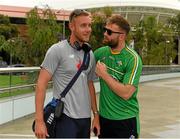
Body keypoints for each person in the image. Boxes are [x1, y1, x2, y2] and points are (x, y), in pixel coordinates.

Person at [34, 9, 100, 138]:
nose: (88, 29)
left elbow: (90, 85)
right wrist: (39, 120)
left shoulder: (89, 54)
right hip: (64, 117)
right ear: (71, 26)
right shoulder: (57, 50)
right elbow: (41, 84)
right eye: (83, 25)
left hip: (84, 119)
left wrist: (96, 115)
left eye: (89, 25)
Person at [94, 15, 142, 138]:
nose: (105, 33)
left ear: (121, 36)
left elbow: (127, 93)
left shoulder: (133, 59)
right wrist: (96, 115)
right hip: (104, 119)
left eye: (109, 32)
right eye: (105, 30)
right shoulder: (100, 53)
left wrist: (104, 75)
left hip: (125, 120)